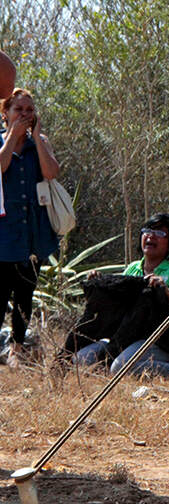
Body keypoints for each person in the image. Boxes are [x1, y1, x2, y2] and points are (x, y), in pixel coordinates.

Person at [73, 213, 169, 377]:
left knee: (119, 369)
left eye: (160, 233)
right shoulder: (132, 269)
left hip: (165, 342)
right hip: (130, 337)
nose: (151, 236)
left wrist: (167, 292)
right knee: (80, 360)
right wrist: (100, 285)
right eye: (147, 231)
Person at [0, 88, 60, 368]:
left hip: (32, 231)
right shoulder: (2, 141)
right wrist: (13, 136)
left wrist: (36, 138)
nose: (25, 115)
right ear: (6, 114)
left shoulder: (41, 142)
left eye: (29, 110)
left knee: (25, 292)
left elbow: (51, 172)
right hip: (4, 231)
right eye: (18, 110)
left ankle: (17, 348)